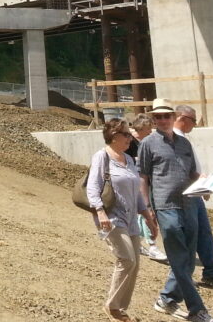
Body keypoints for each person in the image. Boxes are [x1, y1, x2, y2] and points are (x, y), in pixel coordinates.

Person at [138, 98, 213, 322]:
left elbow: (192, 173)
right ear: (153, 120)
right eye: (158, 117)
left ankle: (166, 298)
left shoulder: (185, 144)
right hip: (165, 206)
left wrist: (205, 183)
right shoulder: (148, 143)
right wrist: (146, 208)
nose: (163, 120)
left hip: (190, 204)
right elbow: (143, 178)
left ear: (174, 118)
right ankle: (197, 309)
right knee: (178, 256)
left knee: (186, 256)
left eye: (166, 116)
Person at [87, 118, 158, 322]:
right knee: (126, 259)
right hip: (111, 217)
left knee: (134, 264)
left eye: (129, 134)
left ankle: (120, 307)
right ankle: (112, 306)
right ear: (113, 136)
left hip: (131, 220)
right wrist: (100, 213)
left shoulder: (128, 159)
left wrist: (149, 218)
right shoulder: (102, 156)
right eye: (126, 134)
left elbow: (136, 194)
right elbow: (93, 187)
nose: (129, 137)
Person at [173, 105, 213, 289]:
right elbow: (180, 169)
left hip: (196, 191)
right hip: (187, 194)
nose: (194, 124)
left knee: (204, 233)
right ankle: (185, 276)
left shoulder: (183, 139)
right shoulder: (174, 139)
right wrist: (199, 183)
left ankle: (211, 272)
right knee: (190, 236)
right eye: (193, 120)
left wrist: (203, 185)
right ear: (183, 118)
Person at [129, 115, 168, 263]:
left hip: (147, 182)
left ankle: (138, 242)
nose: (151, 131)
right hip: (137, 182)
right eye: (148, 128)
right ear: (141, 129)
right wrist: (137, 160)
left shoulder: (145, 142)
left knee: (141, 213)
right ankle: (152, 246)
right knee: (146, 211)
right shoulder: (131, 142)